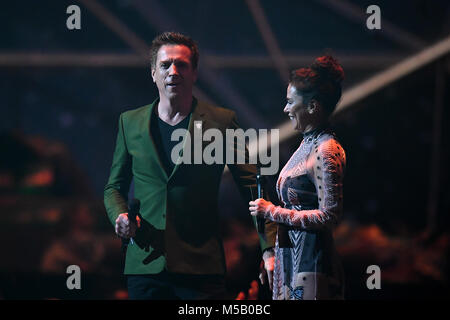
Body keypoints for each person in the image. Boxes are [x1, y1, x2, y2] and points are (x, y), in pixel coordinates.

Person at [104, 32, 276, 300]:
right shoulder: (130, 122)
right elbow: (114, 187)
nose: (173, 71)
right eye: (165, 65)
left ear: (194, 73)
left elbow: (252, 187)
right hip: (145, 267)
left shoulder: (221, 122)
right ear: (153, 73)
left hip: (201, 270)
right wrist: (120, 216)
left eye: (182, 64)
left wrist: (269, 247)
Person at [249, 55, 346, 300]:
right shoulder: (306, 144)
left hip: (312, 263)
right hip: (292, 261)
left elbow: (329, 215)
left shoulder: (326, 149)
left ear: (312, 107)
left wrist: (272, 212)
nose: (285, 108)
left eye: (291, 102)